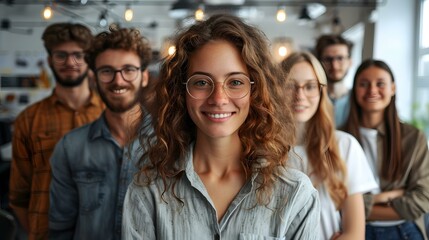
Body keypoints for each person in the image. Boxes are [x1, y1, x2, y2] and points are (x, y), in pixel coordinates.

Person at [122, 14, 320, 239]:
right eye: (201, 82)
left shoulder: (294, 194)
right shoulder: (148, 191)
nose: (218, 98)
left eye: (235, 82)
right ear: (181, 92)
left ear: (255, 92)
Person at [48, 26, 152, 239]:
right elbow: (60, 228)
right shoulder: (71, 147)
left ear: (144, 77)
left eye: (129, 69)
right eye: (107, 71)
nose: (118, 80)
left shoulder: (173, 143)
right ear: (94, 79)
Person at [8, 23, 104, 240]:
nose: (70, 62)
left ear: (88, 60)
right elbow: (19, 195)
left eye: (78, 55)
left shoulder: (111, 116)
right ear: (50, 60)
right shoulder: (29, 119)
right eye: (61, 55)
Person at [281, 51, 377, 240]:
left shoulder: (344, 145)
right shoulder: (261, 149)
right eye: (290, 86)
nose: (300, 95)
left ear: (321, 91)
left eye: (310, 86)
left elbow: (355, 233)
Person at [343, 59, 429, 239]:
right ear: (355, 90)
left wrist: (359, 206)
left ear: (393, 88)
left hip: (403, 230)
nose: (372, 90)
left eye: (380, 83)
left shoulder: (413, 137)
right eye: (364, 84)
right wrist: (385, 197)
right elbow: (334, 198)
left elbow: (422, 200)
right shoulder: (340, 138)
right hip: (353, 231)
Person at [315, 34, 354, 128]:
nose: (334, 65)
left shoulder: (358, 99)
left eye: (340, 58)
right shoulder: (312, 98)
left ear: (350, 62)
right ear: (319, 62)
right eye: (328, 59)